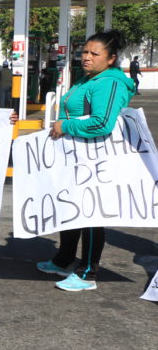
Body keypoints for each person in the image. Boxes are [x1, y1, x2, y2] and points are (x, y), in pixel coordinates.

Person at [35, 30, 136, 292]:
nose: (86, 58)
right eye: (84, 52)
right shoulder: (87, 79)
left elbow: (102, 122)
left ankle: (88, 272)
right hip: (76, 156)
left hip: (95, 159)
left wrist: (65, 126)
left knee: (90, 214)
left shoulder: (109, 83)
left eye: (94, 53)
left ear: (111, 58)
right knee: (71, 209)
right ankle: (64, 259)